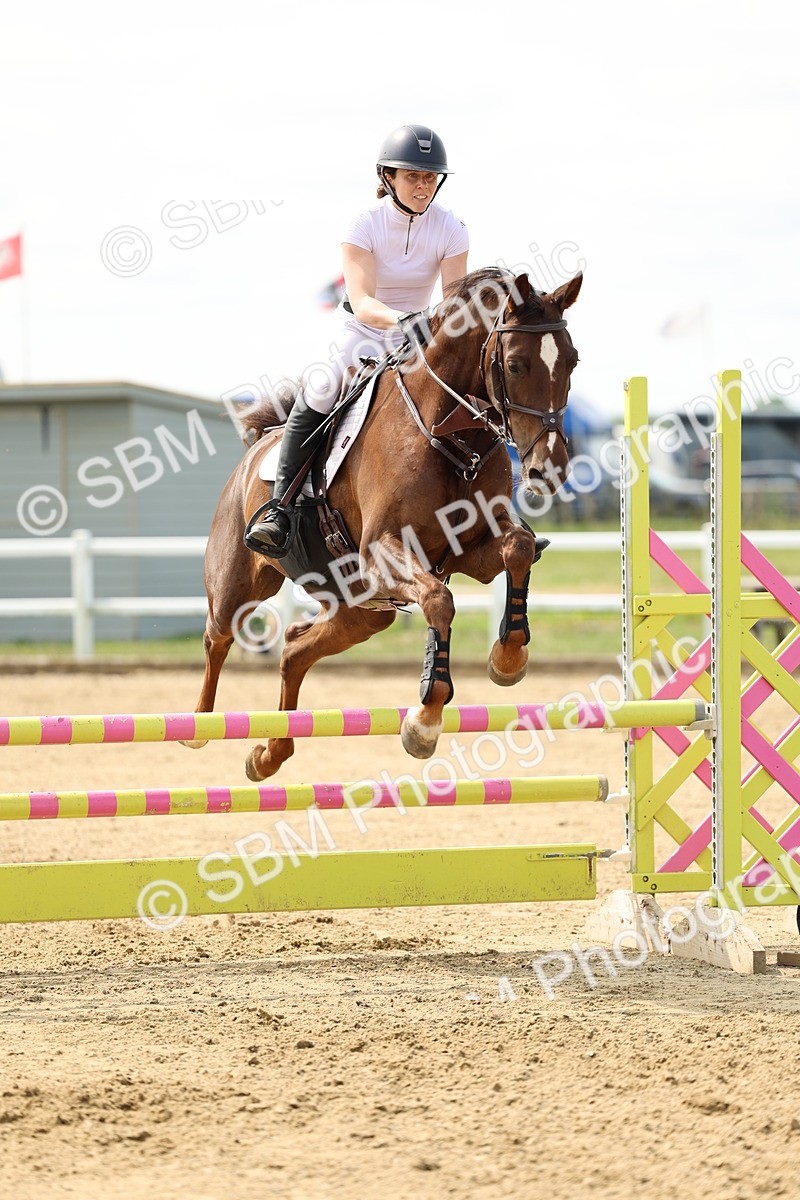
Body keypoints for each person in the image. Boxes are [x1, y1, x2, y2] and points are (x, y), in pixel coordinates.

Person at [247, 123, 469, 551]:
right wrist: (409, 320)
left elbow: (453, 301)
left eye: (430, 178)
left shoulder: (452, 229)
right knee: (321, 390)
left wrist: (434, 330)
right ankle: (278, 509)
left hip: (419, 340)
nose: (423, 186)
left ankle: (499, 508)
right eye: (412, 177)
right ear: (388, 177)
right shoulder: (363, 224)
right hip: (365, 336)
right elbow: (363, 301)